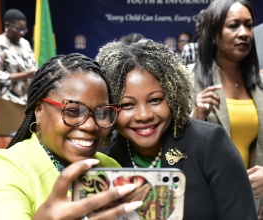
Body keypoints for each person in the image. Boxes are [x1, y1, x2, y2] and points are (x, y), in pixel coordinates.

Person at [0, 53, 143, 219]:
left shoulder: (109, 166)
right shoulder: (2, 170)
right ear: (39, 111)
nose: (91, 125)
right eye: (72, 111)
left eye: (102, 113)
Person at [95, 38, 257, 219]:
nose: (144, 115)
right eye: (127, 105)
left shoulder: (209, 144)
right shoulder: (103, 156)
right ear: (109, 107)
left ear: (173, 96)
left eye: (155, 100)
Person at [189, 0, 263, 213]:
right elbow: (171, 151)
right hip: (207, 203)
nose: (244, 33)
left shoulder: (260, 84)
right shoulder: (187, 79)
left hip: (253, 205)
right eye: (234, 25)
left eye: (248, 25)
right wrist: (195, 119)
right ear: (213, 33)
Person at [0, 8, 38, 135]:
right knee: (9, 138)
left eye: (24, 29)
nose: (22, 33)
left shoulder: (24, 43)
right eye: (19, 29)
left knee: (27, 137)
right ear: (7, 25)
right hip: (6, 98)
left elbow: (32, 66)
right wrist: (25, 75)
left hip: (26, 98)